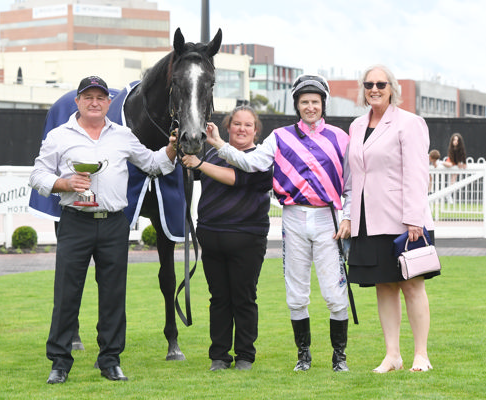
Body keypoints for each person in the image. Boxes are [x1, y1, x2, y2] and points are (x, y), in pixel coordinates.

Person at [29, 76, 178, 384]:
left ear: (109, 103)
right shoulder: (59, 135)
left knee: (113, 296)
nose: (94, 102)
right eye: (88, 97)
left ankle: (110, 360)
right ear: (78, 102)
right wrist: (63, 183)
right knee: (67, 294)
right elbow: (38, 175)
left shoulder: (124, 136)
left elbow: (152, 164)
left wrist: (173, 148)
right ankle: (59, 362)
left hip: (113, 223)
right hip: (74, 220)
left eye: (100, 97)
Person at [203, 74, 352, 372]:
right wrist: (219, 143)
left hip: (328, 219)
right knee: (296, 291)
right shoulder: (280, 137)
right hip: (294, 216)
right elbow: (250, 162)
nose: (310, 107)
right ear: (297, 105)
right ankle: (304, 356)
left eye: (315, 102)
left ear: (323, 104)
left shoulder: (341, 137)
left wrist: (348, 215)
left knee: (334, 292)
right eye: (304, 102)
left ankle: (339, 357)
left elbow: (352, 184)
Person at [346, 64, 439, 373]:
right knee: (383, 286)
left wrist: (414, 218)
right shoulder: (357, 126)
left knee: (412, 286)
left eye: (381, 84)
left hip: (403, 221)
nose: (375, 89)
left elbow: (416, 172)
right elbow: (354, 177)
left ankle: (421, 355)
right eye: (369, 83)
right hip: (368, 222)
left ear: (392, 88)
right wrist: (349, 216)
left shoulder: (409, 123)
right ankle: (392, 355)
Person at [181, 106, 272, 372]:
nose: (241, 129)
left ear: (256, 131)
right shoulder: (211, 153)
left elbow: (237, 178)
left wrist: (200, 163)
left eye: (248, 125)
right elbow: (189, 169)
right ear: (228, 127)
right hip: (213, 236)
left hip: (247, 238)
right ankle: (219, 356)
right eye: (236, 124)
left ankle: (245, 355)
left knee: (243, 298)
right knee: (219, 298)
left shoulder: (262, 158)